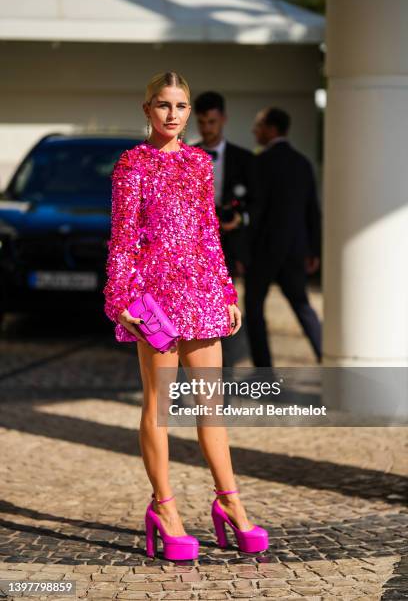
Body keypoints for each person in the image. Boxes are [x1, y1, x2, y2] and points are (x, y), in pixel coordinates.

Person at [103, 71, 268, 560]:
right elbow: (122, 238)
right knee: (159, 408)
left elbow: (208, 233)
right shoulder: (131, 166)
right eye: (162, 105)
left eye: (180, 106)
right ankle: (165, 509)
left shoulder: (199, 163)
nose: (172, 114)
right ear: (146, 109)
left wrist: (225, 290)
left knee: (210, 407)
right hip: (153, 301)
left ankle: (230, 504)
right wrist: (122, 300)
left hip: (200, 293)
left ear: (189, 111)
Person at [245, 107, 322, 368]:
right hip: (295, 249)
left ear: (271, 128)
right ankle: (325, 356)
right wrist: (314, 250)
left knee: (254, 309)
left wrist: (244, 252)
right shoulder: (303, 163)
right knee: (303, 306)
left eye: (258, 125)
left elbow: (255, 211)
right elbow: (313, 210)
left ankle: (263, 370)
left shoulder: (259, 162)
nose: (255, 131)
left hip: (263, 250)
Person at [193, 91, 255, 278]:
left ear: (223, 119)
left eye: (212, 122)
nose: (206, 128)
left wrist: (240, 219)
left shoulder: (245, 159)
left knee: (228, 300)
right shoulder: (187, 156)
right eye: (202, 123)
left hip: (232, 241)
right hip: (197, 240)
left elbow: (257, 200)